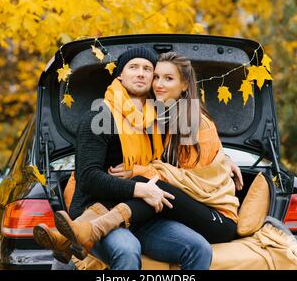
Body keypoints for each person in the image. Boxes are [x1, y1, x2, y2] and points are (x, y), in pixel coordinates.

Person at [53, 51, 245, 261]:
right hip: (106, 206)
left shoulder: (161, 119)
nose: (142, 74)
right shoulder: (99, 118)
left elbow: (195, 172)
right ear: (119, 76)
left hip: (159, 209)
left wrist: (224, 158)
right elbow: (88, 177)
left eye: (148, 70)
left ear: (184, 85)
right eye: (133, 67)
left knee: (197, 246)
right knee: (127, 248)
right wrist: (138, 187)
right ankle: (84, 231)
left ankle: (80, 235)